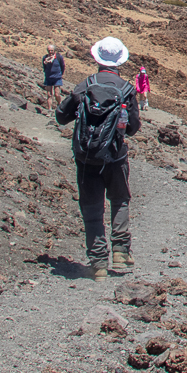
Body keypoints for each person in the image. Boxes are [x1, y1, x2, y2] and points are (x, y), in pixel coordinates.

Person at [55, 36, 141, 281]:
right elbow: (133, 128)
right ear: (119, 61)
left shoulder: (85, 85)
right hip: (115, 157)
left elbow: (61, 117)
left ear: (97, 58)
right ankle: (121, 253)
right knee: (120, 200)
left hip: (86, 159)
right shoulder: (125, 89)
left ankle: (98, 264)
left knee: (92, 209)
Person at [41, 45, 65, 112]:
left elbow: (62, 66)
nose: (50, 52)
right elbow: (44, 67)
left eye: (51, 50)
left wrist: (60, 74)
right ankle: (49, 109)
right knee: (49, 94)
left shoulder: (58, 57)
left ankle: (59, 104)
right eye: (49, 50)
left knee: (57, 94)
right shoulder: (45, 58)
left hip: (57, 78)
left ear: (54, 50)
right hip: (48, 78)